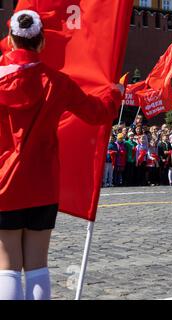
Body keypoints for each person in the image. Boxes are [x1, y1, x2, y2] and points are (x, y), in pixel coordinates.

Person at [0, 10, 122, 300]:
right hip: (43, 185)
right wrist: (114, 92)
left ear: (9, 39)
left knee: (7, 266)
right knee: (38, 266)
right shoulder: (57, 81)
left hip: (3, 183)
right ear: (41, 42)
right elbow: (97, 113)